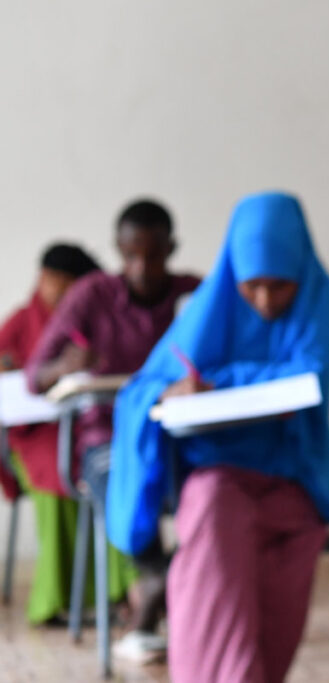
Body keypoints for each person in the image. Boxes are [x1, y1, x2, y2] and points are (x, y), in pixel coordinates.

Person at [109, 192, 329, 682]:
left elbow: (305, 377)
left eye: (279, 286)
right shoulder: (213, 303)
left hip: (294, 479)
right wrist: (174, 390)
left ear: (300, 275)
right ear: (232, 275)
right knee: (210, 521)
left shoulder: (320, 298)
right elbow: (141, 390)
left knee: (272, 566)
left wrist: (217, 380)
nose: (265, 301)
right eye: (252, 287)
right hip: (218, 476)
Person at [25, 199, 200, 659]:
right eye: (131, 255)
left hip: (176, 433)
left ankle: (173, 593)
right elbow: (34, 374)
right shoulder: (92, 295)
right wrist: (65, 365)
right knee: (130, 478)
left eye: (154, 254)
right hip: (107, 438)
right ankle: (155, 582)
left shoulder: (193, 295)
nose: (142, 266)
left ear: (172, 249)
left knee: (213, 482)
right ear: (119, 252)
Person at [0, 243, 115, 625]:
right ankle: (53, 601)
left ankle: (112, 595)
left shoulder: (90, 318)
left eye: (65, 284)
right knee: (56, 470)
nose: (52, 288)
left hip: (81, 425)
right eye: (49, 280)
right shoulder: (20, 322)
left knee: (101, 468)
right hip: (30, 436)